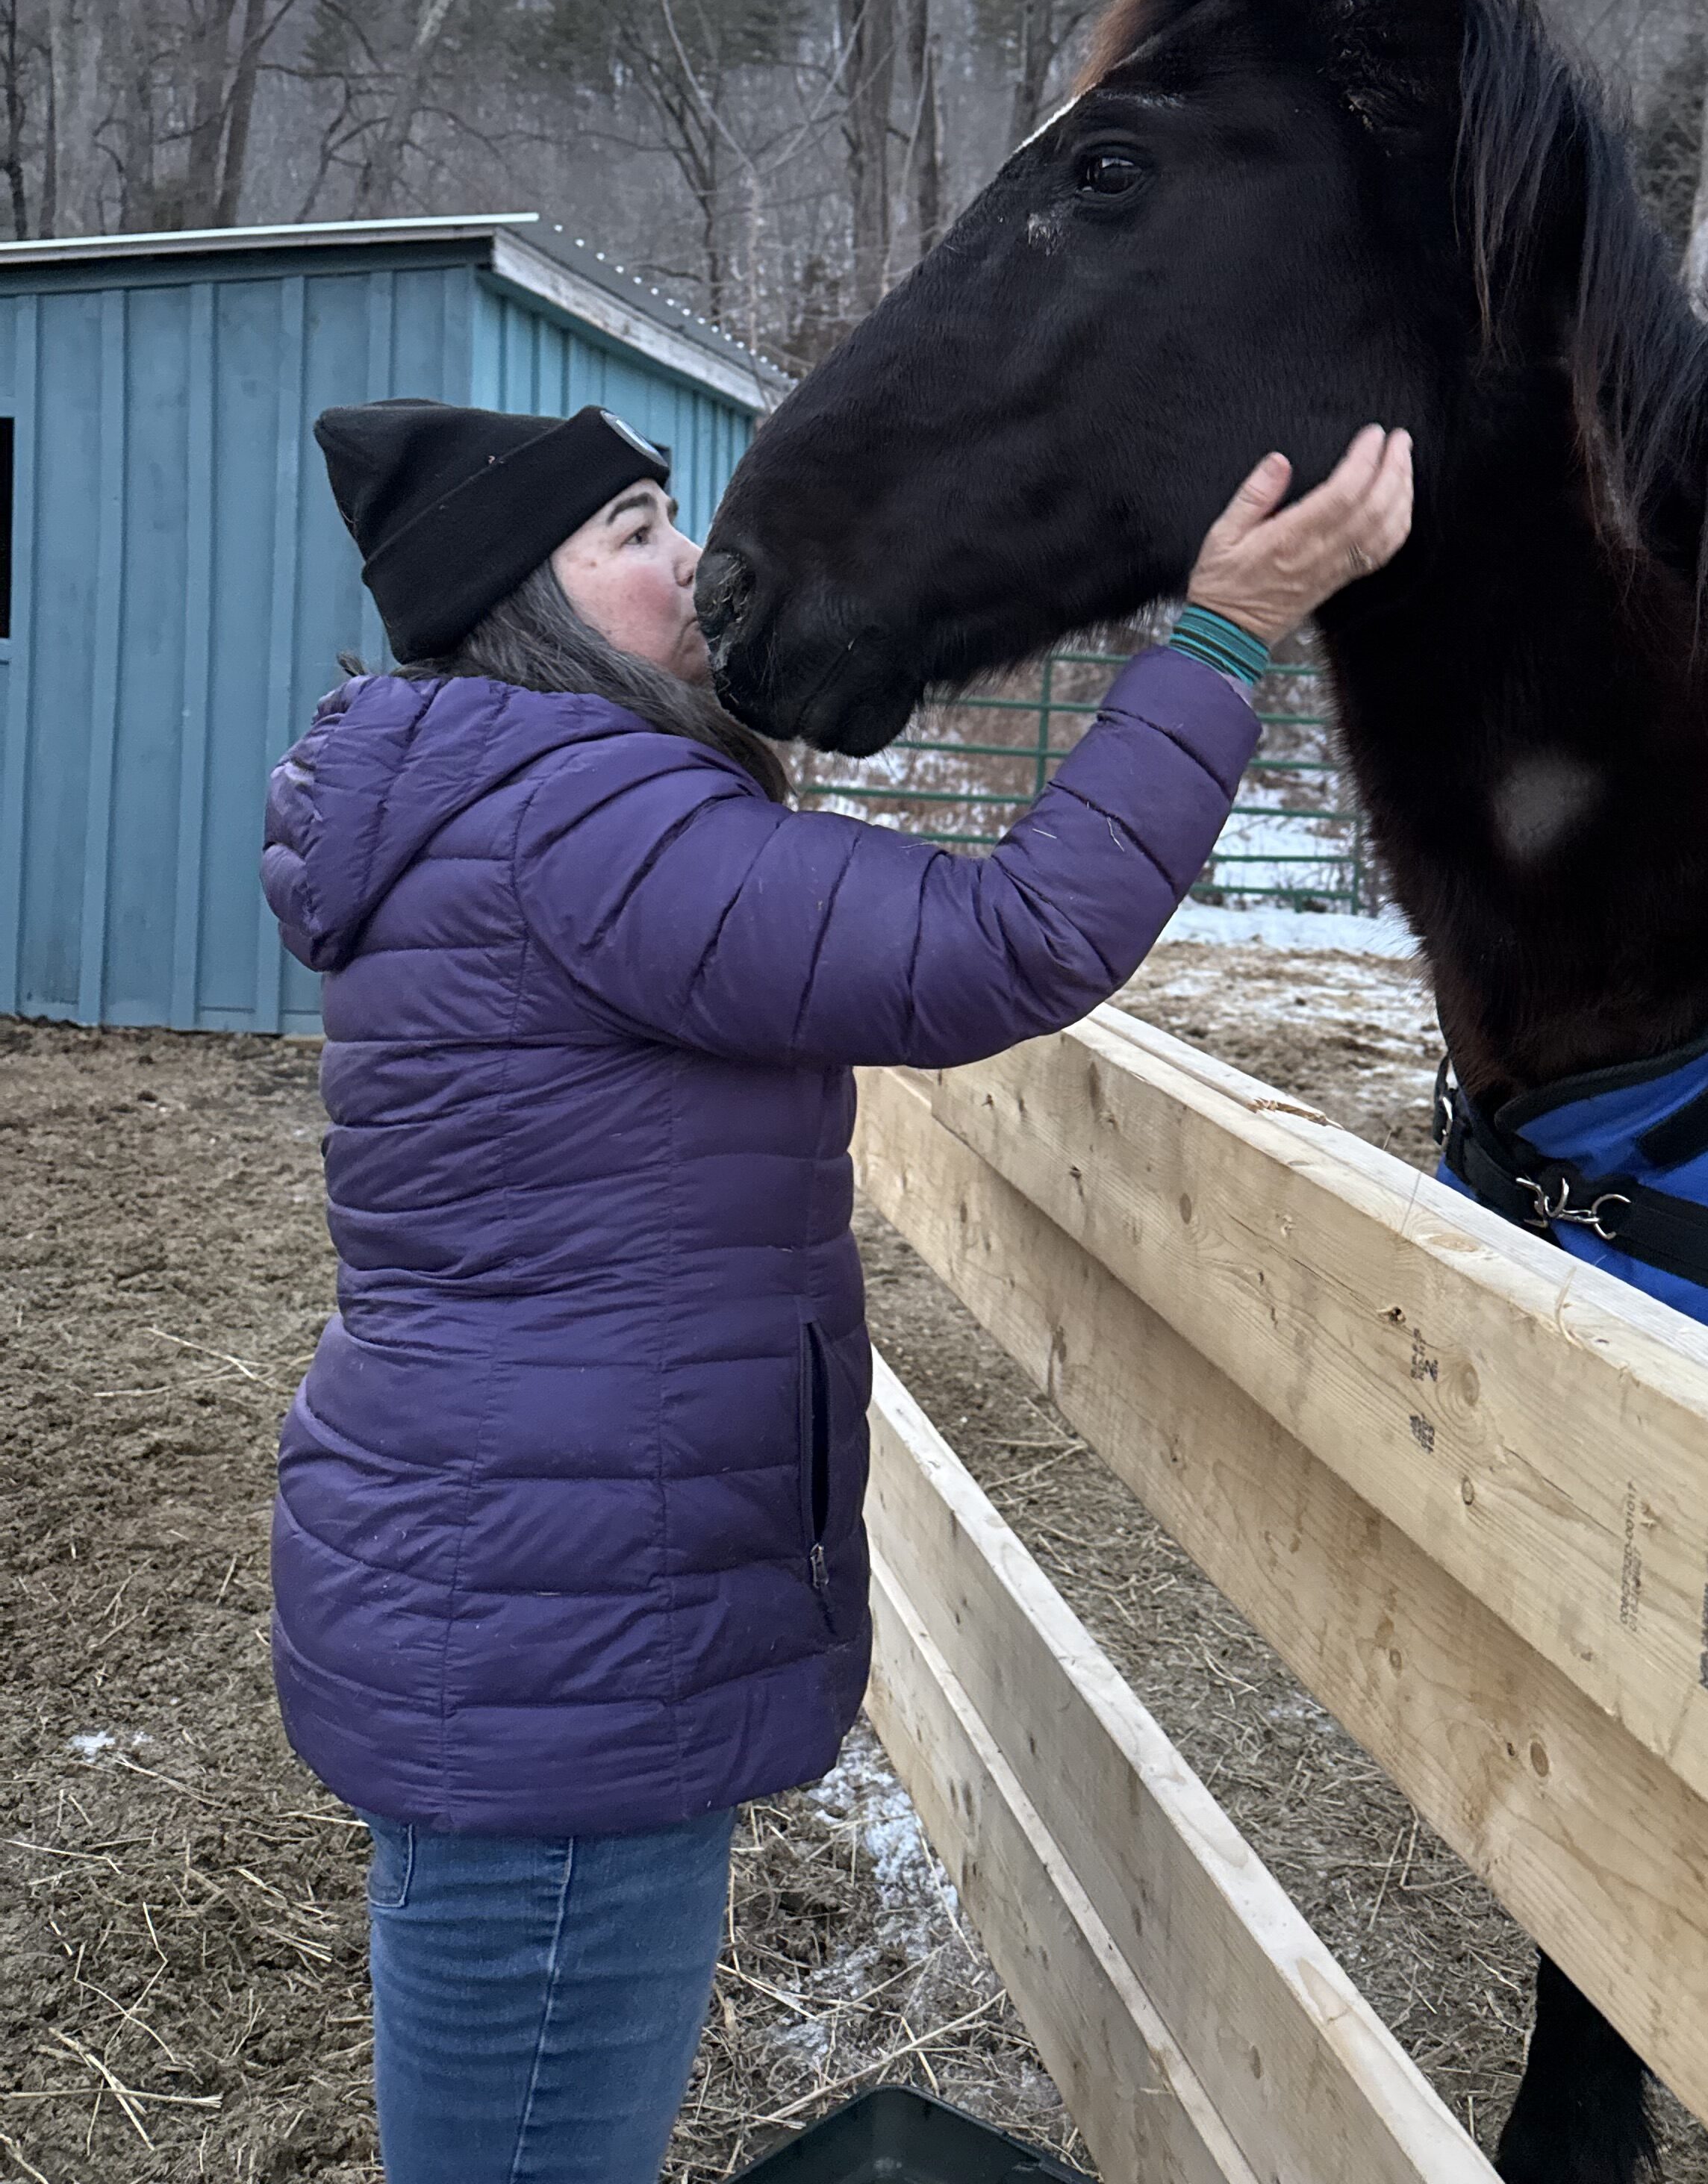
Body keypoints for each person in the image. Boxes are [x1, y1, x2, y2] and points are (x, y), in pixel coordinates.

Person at [261, 393, 1414, 2184]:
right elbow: (1005, 942)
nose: (691, 559)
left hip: (519, 1587)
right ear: (535, 603)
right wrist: (1221, 640)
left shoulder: (486, 804)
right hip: (570, 1632)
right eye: (636, 532)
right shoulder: (584, 820)